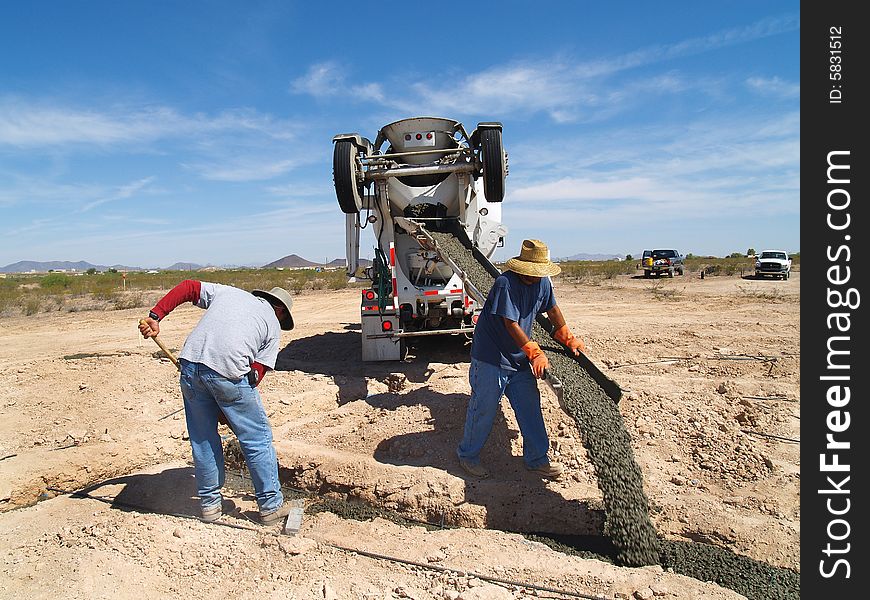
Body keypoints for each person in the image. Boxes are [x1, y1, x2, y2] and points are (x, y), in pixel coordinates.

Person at [138, 280, 295, 525]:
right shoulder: (272, 324)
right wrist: (231, 406)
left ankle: (210, 506)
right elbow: (255, 374)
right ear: (281, 311)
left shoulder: (228, 292)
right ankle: (270, 506)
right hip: (228, 372)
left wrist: (155, 315)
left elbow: (189, 287)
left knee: (204, 439)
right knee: (257, 438)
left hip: (190, 366)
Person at [456, 239, 586, 480]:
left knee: (530, 409)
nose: (536, 278)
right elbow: (510, 323)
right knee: (483, 409)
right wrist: (534, 352)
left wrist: (567, 336)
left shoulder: (543, 283)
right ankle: (467, 455)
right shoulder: (506, 284)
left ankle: (537, 459)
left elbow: (552, 308)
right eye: (533, 273)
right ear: (522, 268)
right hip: (491, 358)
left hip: (517, 359)